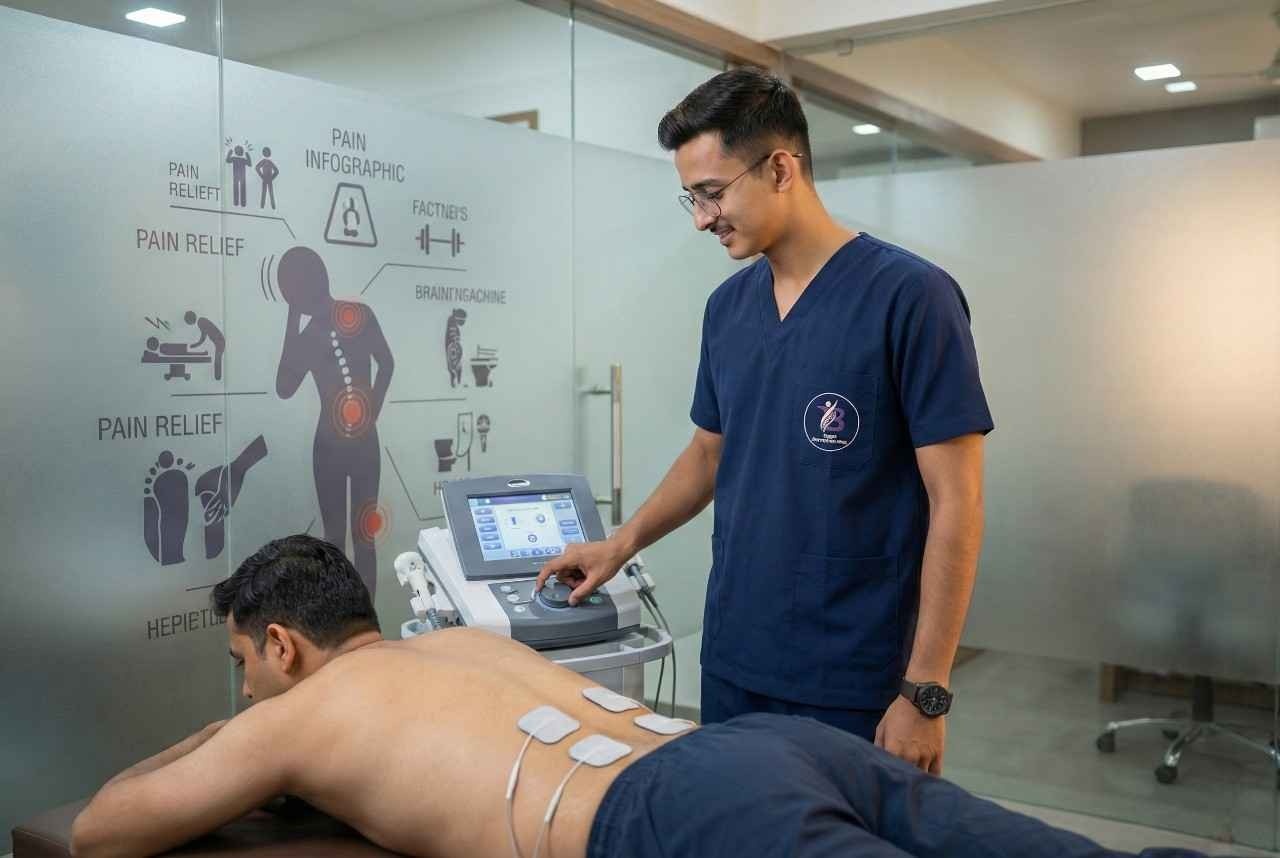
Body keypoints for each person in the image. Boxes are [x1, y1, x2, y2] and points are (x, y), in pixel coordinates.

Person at [70, 536, 1220, 858]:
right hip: (761, 748)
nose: (245, 685)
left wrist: (224, 730)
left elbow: (98, 833)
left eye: (242, 661)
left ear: (281, 644)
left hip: (678, 816)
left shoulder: (296, 713)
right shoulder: (454, 639)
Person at [537, 67, 994, 775]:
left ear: (781, 168)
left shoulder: (911, 298)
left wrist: (926, 690)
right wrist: (619, 544)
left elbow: (957, 501)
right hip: (736, 657)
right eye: (691, 199)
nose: (701, 219)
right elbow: (709, 453)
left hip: (857, 673)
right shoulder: (728, 309)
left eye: (713, 193)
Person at [276, 246, 394, 597]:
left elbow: (386, 364)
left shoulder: (357, 316)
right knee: (338, 540)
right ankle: (344, 616)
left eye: (291, 290)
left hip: (354, 444)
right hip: (332, 446)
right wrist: (292, 319)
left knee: (361, 538)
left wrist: (371, 411)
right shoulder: (311, 334)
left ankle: (363, 616)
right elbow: (284, 387)